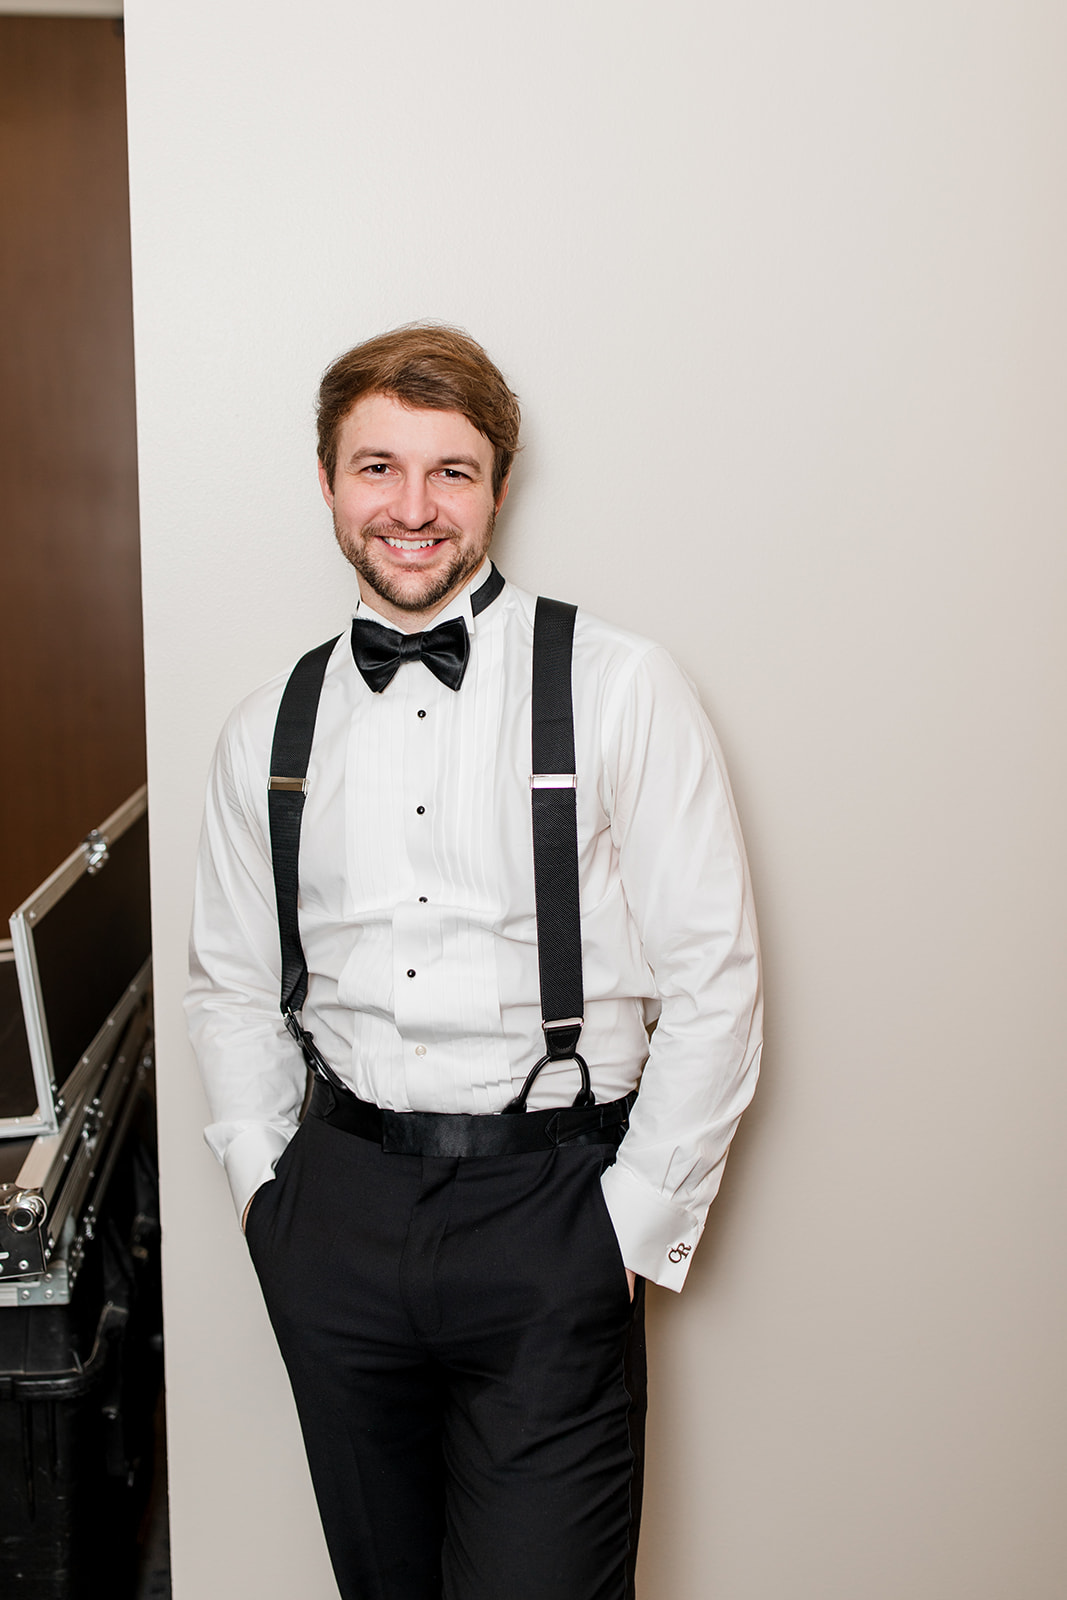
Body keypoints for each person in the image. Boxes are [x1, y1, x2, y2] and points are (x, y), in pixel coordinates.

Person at [185, 323, 762, 1600]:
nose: (410, 507)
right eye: (375, 466)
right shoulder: (264, 728)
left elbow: (714, 978)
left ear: (498, 485)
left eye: (450, 470)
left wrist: (629, 1224)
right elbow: (229, 981)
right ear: (328, 484)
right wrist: (264, 1195)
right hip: (334, 1209)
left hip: (550, 1205)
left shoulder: (618, 685)